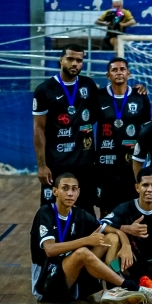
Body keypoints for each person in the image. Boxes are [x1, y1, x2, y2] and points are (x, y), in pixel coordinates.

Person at [31, 172, 152, 304]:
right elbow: (49, 250)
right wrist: (86, 240)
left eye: (74, 189)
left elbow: (115, 231)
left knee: (110, 238)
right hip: (46, 283)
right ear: (55, 191)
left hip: (72, 279)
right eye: (65, 188)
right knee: (82, 253)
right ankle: (134, 288)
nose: (70, 193)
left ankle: (113, 289)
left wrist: (126, 246)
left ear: (79, 192)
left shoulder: (80, 214)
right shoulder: (45, 212)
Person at [33, 46, 100, 211]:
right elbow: (38, 129)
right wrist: (42, 165)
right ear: (61, 60)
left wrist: (135, 90)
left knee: (86, 210)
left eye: (79, 60)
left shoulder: (89, 85)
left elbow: (108, 101)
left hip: (85, 162)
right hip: (57, 163)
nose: (75, 64)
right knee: (53, 211)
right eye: (70, 59)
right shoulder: (44, 89)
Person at [94, 57, 152, 217]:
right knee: (106, 210)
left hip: (131, 163)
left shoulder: (140, 96)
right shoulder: (98, 96)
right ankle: (108, 242)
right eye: (114, 70)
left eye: (122, 69)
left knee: (133, 209)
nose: (118, 72)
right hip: (105, 164)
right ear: (108, 75)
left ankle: (130, 242)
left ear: (128, 74)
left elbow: (148, 130)